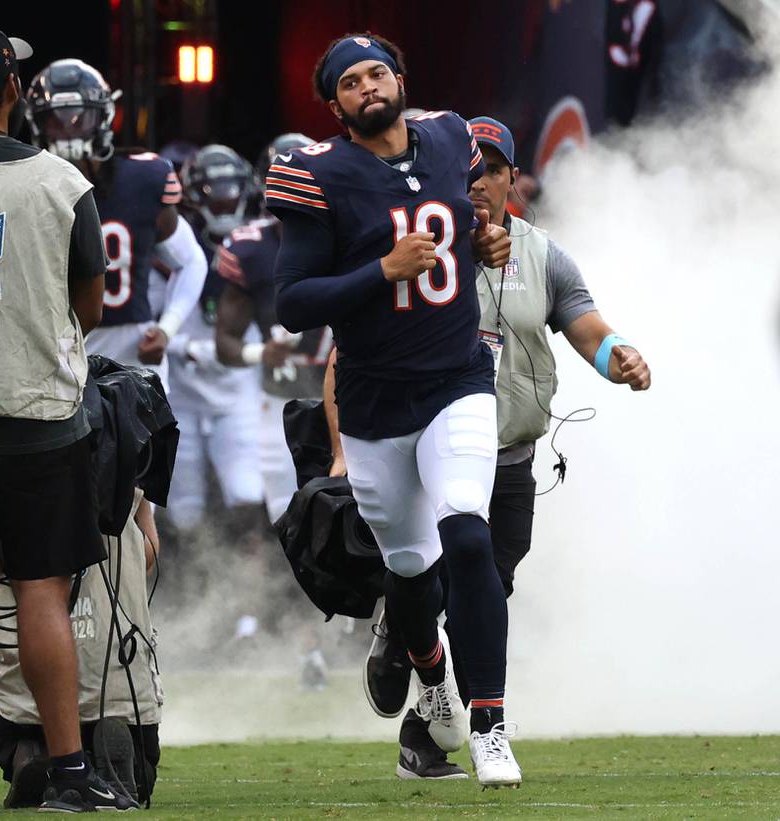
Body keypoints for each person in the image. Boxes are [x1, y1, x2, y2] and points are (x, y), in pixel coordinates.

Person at [361, 115, 651, 780]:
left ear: (512, 178)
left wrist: (621, 356)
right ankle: (478, 715)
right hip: (436, 451)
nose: (478, 182)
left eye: (491, 169)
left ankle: (424, 731)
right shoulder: (420, 246)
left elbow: (586, 325)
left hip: (511, 458)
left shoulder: (543, 254)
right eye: (466, 170)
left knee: (486, 589)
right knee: (459, 572)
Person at [267, 33, 519, 787]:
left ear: (401, 79)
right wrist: (381, 269)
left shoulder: (448, 138)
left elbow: (465, 225)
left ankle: (489, 724)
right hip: (375, 405)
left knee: (469, 535)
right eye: (351, 82)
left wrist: (487, 240)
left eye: (377, 72)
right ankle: (431, 676)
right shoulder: (318, 174)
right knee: (410, 571)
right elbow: (292, 301)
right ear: (335, 105)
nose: (368, 86)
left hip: (457, 380)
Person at [0, 24, 136, 811]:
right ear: (13, 90)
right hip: (37, 416)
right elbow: (89, 304)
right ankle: (72, 772)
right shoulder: (63, 185)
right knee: (41, 591)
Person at [25, 58, 207, 387]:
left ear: (104, 116)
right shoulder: (22, 182)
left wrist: (168, 327)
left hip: (130, 346)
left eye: (81, 118)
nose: (69, 129)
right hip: (50, 345)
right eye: (56, 119)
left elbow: (192, 261)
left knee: (144, 437)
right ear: (36, 121)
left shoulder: (142, 177)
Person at [0, 489, 162, 808]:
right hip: (118, 674)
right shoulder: (129, 443)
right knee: (140, 761)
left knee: (3, 699)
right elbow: (149, 551)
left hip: (17, 681)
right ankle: (124, 751)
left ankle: (28, 751)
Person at [215, 132, 334, 525]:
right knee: (285, 514)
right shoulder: (250, 249)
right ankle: (281, 587)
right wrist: (261, 353)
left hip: (346, 399)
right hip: (279, 404)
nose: (293, 192)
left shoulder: (350, 236)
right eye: (283, 180)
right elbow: (225, 344)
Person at [153, 144, 264, 536]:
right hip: (182, 387)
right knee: (182, 502)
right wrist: (186, 347)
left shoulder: (263, 243)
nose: (224, 201)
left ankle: (251, 579)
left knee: (248, 490)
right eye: (213, 193)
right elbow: (147, 320)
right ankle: (187, 580)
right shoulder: (169, 248)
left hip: (237, 386)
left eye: (231, 190)